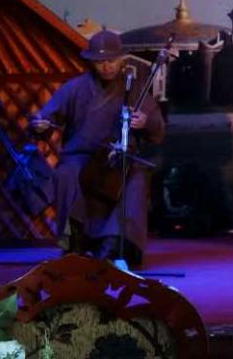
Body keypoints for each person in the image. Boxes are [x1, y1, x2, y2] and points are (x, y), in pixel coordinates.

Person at [30, 30, 165, 267]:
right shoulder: (75, 88)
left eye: (112, 60)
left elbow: (157, 130)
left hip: (122, 157)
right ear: (91, 62)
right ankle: (74, 242)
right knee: (67, 174)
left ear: (121, 60)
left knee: (135, 180)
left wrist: (145, 123)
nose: (107, 66)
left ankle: (115, 245)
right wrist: (41, 125)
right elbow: (47, 118)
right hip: (80, 156)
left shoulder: (134, 87)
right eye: (100, 61)